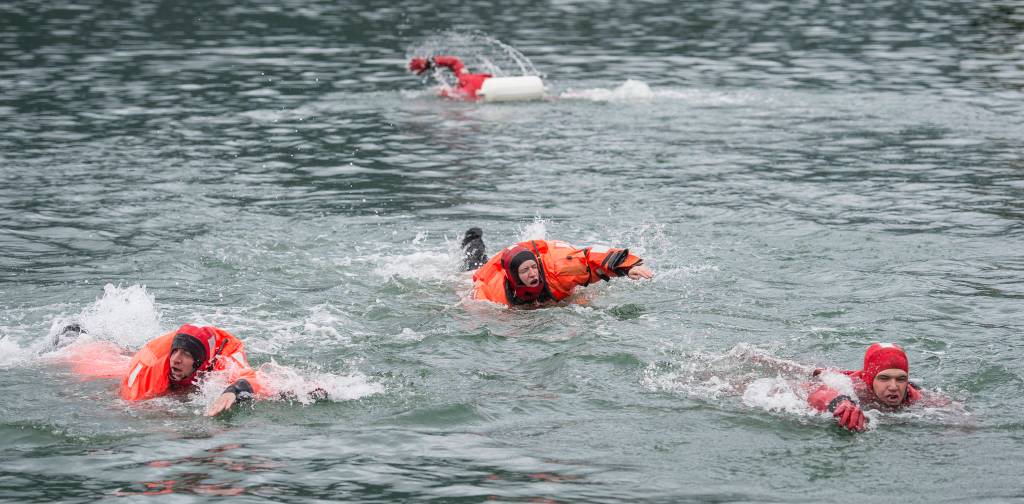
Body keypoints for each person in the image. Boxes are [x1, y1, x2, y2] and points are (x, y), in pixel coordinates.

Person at [465, 229, 654, 307]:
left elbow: (591, 257)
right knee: (472, 266)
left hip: (550, 257)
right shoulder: (492, 290)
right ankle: (473, 239)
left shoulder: (558, 268)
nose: (532, 274)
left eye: (533, 268)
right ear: (514, 276)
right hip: (492, 269)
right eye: (525, 271)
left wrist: (628, 265)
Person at [120, 324, 267, 416]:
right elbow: (131, 405)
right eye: (175, 351)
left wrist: (233, 391)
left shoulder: (226, 354)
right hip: (153, 357)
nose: (176, 359)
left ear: (199, 362)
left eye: (186, 354)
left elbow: (253, 380)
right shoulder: (151, 362)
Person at [806, 342, 923, 432]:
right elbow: (817, 394)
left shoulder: (913, 394)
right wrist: (840, 402)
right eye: (884, 378)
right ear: (870, 379)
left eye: (901, 379)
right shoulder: (854, 386)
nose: (893, 387)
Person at [408, 55, 492, 100]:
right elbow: (454, 61)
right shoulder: (465, 76)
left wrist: (428, 63)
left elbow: (454, 61)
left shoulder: (462, 87)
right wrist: (429, 62)